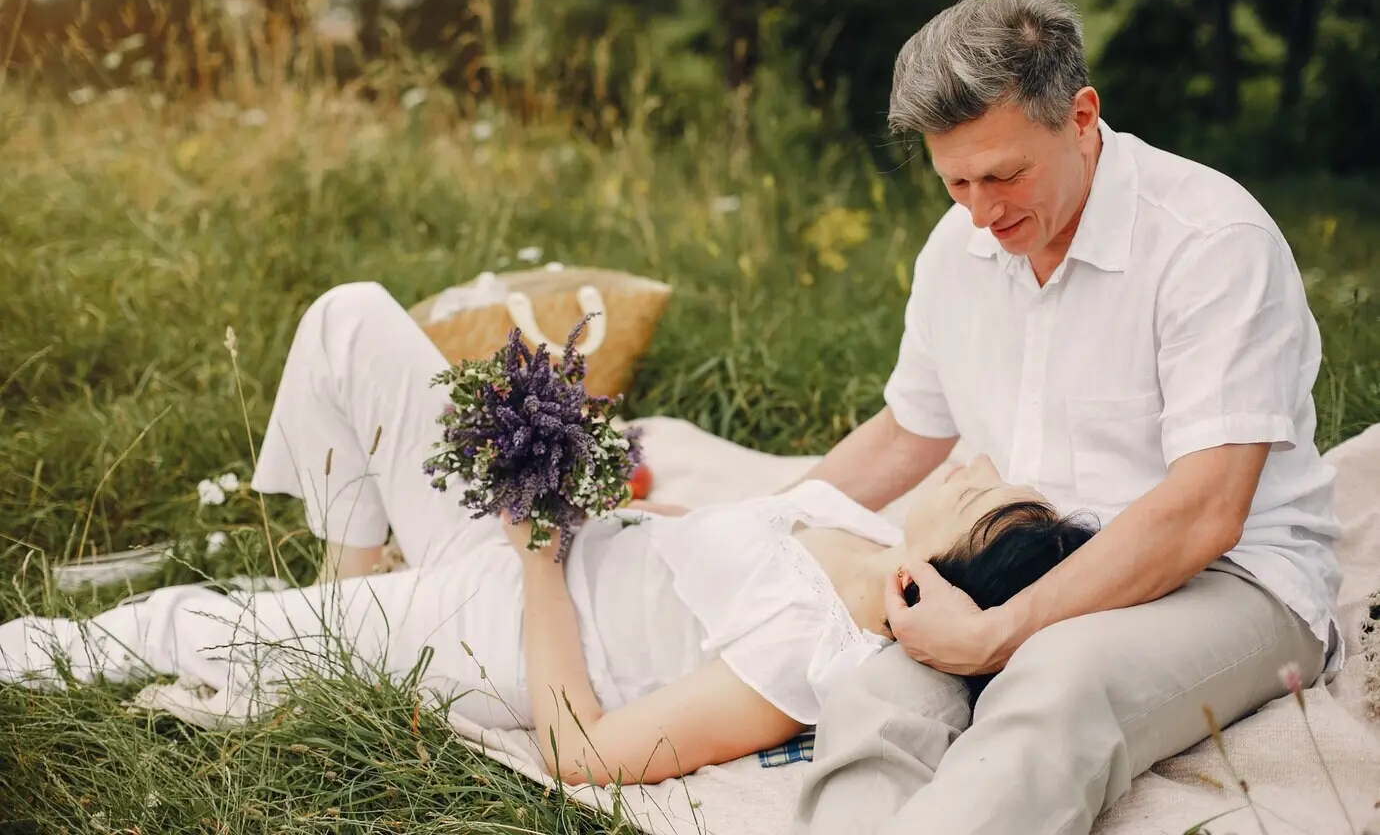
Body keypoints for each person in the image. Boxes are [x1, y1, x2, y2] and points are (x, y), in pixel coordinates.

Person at [0, 282, 1092, 789]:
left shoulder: (800, 652)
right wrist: (585, 478)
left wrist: (537, 568)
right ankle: (348, 580)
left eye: (983, 496)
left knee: (189, 626)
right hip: (541, 534)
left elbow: (582, 754)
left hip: (505, 616)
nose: (976, 464)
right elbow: (687, 533)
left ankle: (50, 650)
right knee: (349, 318)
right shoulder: (858, 520)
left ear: (933, 582)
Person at [789, 0, 1342, 835]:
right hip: (1023, 560)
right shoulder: (959, 248)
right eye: (956, 182)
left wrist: (1002, 634)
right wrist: (776, 524)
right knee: (874, 698)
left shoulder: (1211, 242)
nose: (982, 211)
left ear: (1082, 116)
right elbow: (909, 431)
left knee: (1055, 686)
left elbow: (1206, 512)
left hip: (1232, 581)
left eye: (1004, 175)